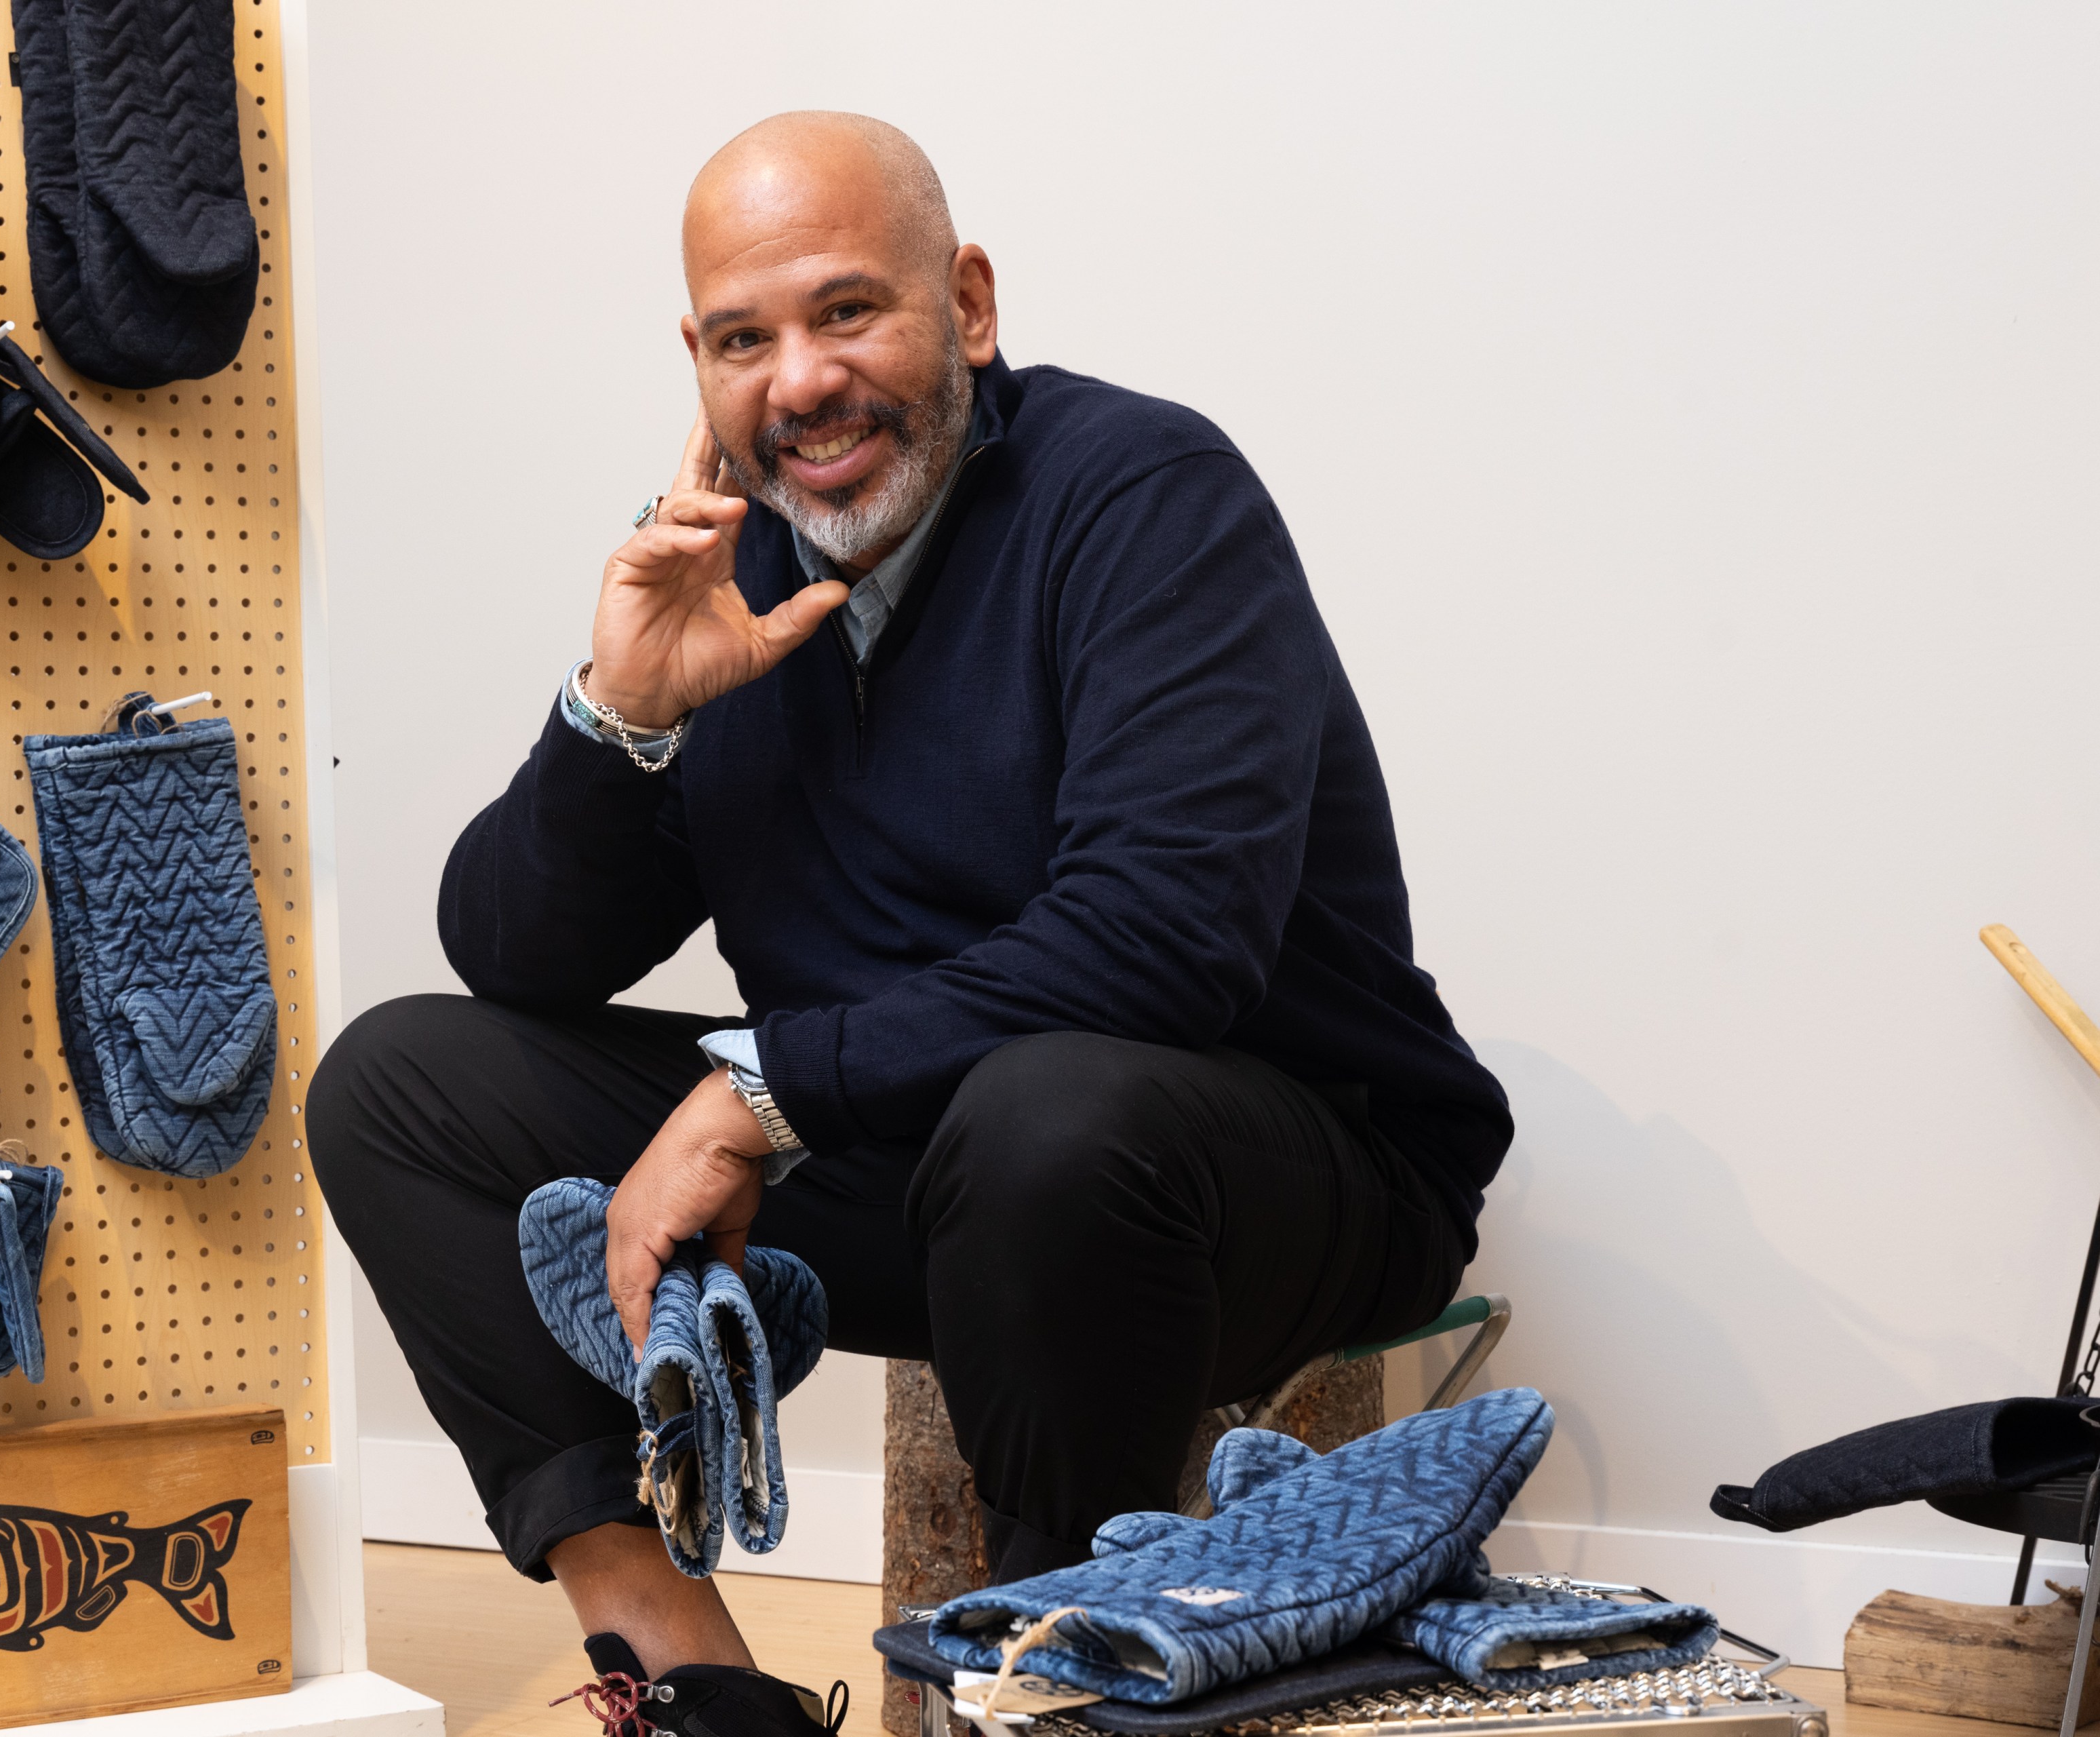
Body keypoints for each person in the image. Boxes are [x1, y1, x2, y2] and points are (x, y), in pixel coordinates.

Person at [312, 111, 1511, 1734]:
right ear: (700, 364)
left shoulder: (1146, 495)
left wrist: (758, 1091)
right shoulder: (732, 576)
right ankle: (689, 1675)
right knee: (398, 1083)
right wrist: (627, 711)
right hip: (922, 1174)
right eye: (745, 339)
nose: (798, 380)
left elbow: (1165, 940)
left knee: (1052, 1113)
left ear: (969, 303)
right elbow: (511, 956)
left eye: (846, 311)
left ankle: (1050, 1675)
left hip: (1272, 1169)